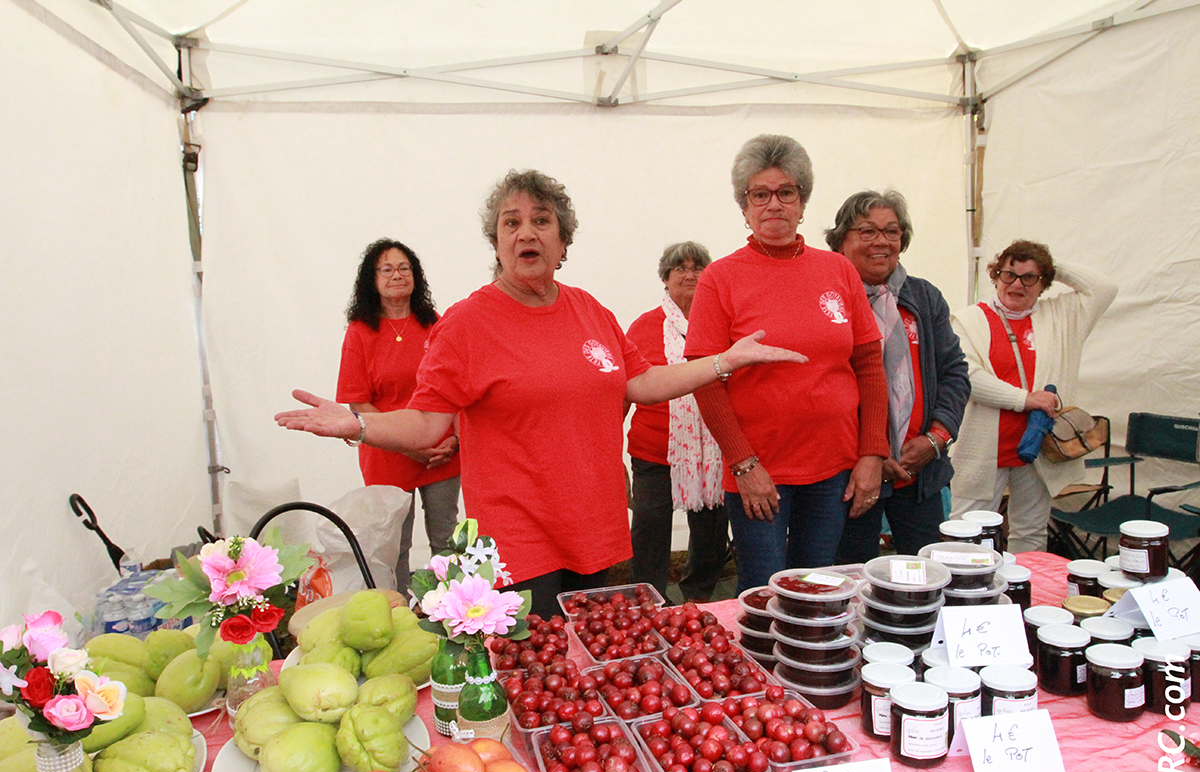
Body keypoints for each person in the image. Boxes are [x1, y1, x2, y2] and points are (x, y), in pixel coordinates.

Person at [277, 169, 807, 618]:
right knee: (537, 670)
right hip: (518, 540)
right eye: (512, 222)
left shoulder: (590, 311)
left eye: (541, 221)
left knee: (587, 667)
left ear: (562, 242)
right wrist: (358, 424)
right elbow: (427, 423)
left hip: (594, 526)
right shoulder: (466, 324)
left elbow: (643, 384)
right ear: (497, 243)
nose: (525, 232)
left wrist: (720, 362)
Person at [684, 134, 889, 594]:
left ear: (802, 201)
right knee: (765, 593)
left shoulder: (838, 270)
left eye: (786, 192)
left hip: (834, 469)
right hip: (760, 473)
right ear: (744, 206)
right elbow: (705, 380)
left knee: (818, 590)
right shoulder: (720, 278)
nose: (773, 204)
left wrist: (871, 453)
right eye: (760, 194)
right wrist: (742, 463)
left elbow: (870, 367)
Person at [824, 190, 969, 562]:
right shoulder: (826, 300)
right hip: (847, 475)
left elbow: (955, 373)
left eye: (892, 231)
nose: (882, 242)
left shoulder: (923, 297)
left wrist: (936, 438)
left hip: (918, 469)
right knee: (851, 578)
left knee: (926, 577)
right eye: (867, 231)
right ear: (841, 240)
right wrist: (871, 452)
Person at [950, 240, 1118, 553]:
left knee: (1030, 535)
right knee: (968, 536)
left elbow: (1104, 287)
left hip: (1039, 448)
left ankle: (1024, 598)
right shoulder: (968, 320)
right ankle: (971, 599)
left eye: (1030, 277)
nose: (1017, 284)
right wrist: (1027, 399)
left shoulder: (1063, 315)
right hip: (984, 449)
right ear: (996, 276)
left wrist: (1050, 263)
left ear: (1043, 284)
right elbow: (968, 378)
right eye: (1009, 274)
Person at [336, 239, 461, 593]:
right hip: (388, 455)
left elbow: (454, 387)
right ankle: (402, 618)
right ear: (371, 279)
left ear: (416, 276)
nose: (397, 275)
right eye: (387, 269)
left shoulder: (434, 325)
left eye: (404, 268)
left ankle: (452, 617)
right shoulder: (360, 332)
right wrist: (410, 447)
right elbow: (359, 404)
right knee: (395, 547)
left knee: (446, 540)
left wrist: (453, 439)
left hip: (442, 454)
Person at [626, 242, 730, 602]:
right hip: (653, 453)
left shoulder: (724, 321)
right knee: (649, 531)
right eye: (679, 269)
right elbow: (623, 388)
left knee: (712, 535)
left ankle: (698, 598)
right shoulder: (644, 326)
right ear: (665, 279)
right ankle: (649, 601)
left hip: (715, 453)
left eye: (697, 268)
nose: (689, 275)